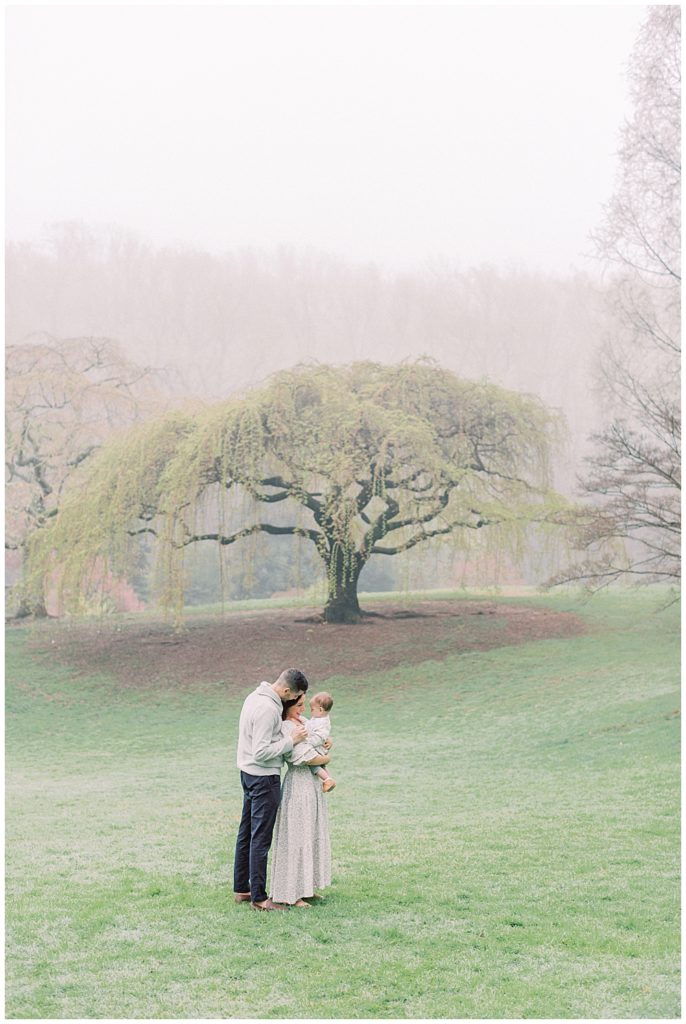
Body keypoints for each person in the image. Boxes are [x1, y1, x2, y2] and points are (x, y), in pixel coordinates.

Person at [233, 668, 314, 912]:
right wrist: (292, 741)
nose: (294, 701)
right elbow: (261, 751)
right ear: (287, 690)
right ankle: (259, 897)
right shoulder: (268, 709)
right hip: (263, 777)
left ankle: (242, 888)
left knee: (246, 833)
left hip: (247, 773)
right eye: (295, 696)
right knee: (261, 838)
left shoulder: (254, 697)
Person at [269, 692, 333, 907]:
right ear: (288, 706)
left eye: (304, 705)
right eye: (299, 705)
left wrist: (326, 744)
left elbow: (319, 741)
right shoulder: (287, 726)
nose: (303, 709)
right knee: (297, 836)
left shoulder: (304, 721)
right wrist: (326, 758)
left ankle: (307, 887)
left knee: (311, 834)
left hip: (313, 784)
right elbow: (301, 756)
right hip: (298, 783)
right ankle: (291, 892)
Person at [305, 692, 337, 792]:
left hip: (317, 748)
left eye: (312, 709)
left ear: (321, 709)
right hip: (319, 748)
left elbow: (319, 738)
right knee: (321, 766)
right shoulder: (319, 718)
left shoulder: (322, 722)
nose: (310, 711)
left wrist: (307, 742)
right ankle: (329, 779)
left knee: (314, 766)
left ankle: (327, 780)